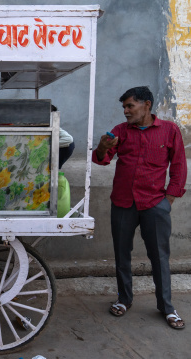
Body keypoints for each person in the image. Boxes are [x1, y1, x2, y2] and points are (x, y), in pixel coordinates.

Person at [92, 86, 187, 329]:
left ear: (146, 105)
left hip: (155, 204)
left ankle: (166, 307)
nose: (125, 111)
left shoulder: (169, 130)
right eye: (123, 107)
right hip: (123, 203)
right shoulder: (119, 131)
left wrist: (169, 201)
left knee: (160, 257)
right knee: (122, 255)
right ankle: (124, 299)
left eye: (129, 106)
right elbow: (101, 159)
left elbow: (178, 168)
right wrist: (103, 146)